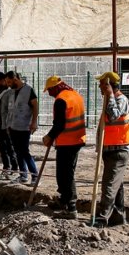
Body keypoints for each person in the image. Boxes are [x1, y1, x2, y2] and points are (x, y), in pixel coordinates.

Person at [41, 75, 87, 219]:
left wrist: (49, 137)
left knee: (65, 175)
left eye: (49, 90)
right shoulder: (75, 95)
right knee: (65, 172)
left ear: (55, 88)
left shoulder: (61, 100)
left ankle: (71, 207)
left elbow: (59, 124)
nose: (49, 93)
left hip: (67, 142)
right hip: (77, 139)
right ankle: (63, 200)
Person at [94, 71, 129, 229]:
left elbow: (114, 115)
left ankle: (102, 218)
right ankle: (118, 215)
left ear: (109, 85)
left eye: (102, 84)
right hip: (110, 148)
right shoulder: (111, 99)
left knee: (109, 184)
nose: (99, 87)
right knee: (117, 184)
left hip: (119, 149)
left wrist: (109, 95)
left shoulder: (120, 99)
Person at [8, 72, 39, 184]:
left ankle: (35, 175)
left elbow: (35, 106)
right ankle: (23, 175)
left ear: (15, 79)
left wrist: (34, 122)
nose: (8, 84)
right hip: (13, 126)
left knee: (24, 151)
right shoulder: (12, 92)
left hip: (25, 126)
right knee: (18, 151)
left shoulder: (28, 90)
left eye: (9, 82)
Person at [0, 71, 17, 179]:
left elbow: (11, 110)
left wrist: (8, 125)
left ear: (3, 81)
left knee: (10, 147)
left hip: (7, 126)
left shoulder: (9, 93)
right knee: (2, 148)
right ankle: (6, 167)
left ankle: (14, 168)